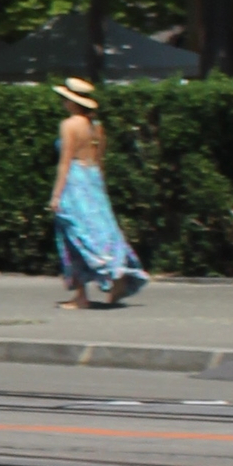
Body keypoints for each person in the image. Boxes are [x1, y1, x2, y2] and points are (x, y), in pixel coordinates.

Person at [50, 77, 145, 309]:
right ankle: (116, 274)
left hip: (75, 181)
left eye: (65, 99)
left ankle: (81, 295)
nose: (63, 102)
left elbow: (65, 163)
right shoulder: (96, 127)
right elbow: (99, 161)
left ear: (73, 102)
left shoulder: (69, 125)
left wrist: (56, 194)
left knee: (73, 235)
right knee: (101, 231)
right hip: (92, 180)